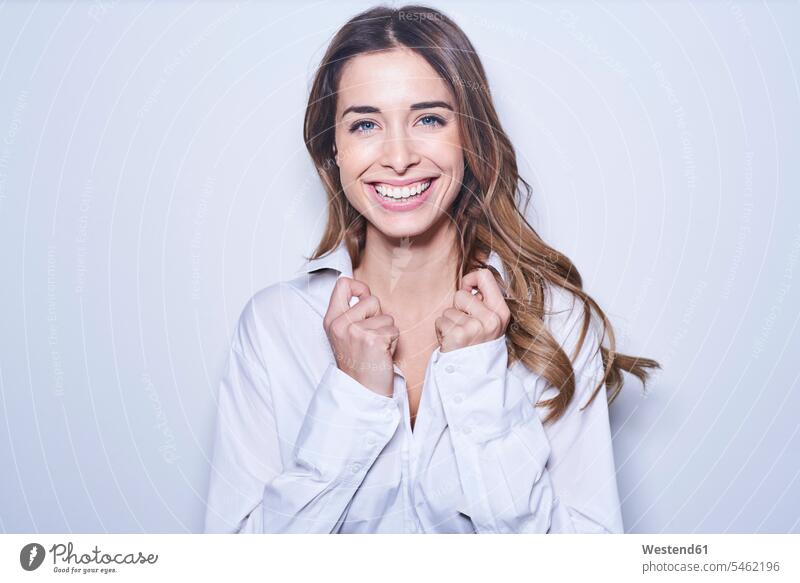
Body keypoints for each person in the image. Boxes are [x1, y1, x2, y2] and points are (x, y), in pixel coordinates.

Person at [204, 4, 659, 534]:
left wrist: (478, 386)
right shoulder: (273, 326)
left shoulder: (554, 321)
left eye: (428, 119)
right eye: (366, 124)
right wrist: (352, 398)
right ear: (334, 149)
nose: (398, 157)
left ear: (470, 137)